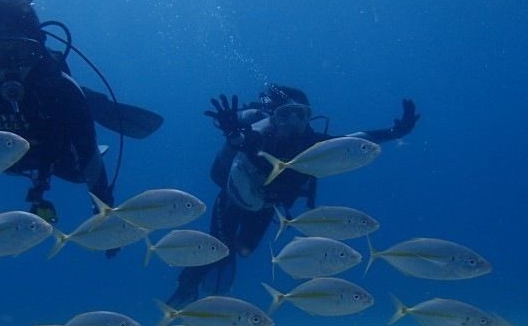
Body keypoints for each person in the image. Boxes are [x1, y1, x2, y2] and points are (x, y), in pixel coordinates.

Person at [0, 0, 162, 237]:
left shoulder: (63, 89)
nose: (10, 66)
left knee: (76, 169)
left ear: (37, 48)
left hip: (47, 156)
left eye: (21, 53)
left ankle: (94, 105)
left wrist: (104, 211)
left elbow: (88, 153)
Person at [166, 83, 420, 306]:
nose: (294, 122)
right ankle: (185, 290)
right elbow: (241, 141)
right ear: (274, 117)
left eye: (301, 115)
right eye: (286, 114)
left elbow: (353, 141)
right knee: (219, 251)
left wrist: (395, 132)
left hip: (267, 207)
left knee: (244, 250)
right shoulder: (260, 137)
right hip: (232, 202)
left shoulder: (314, 144)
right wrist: (232, 133)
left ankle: (206, 300)